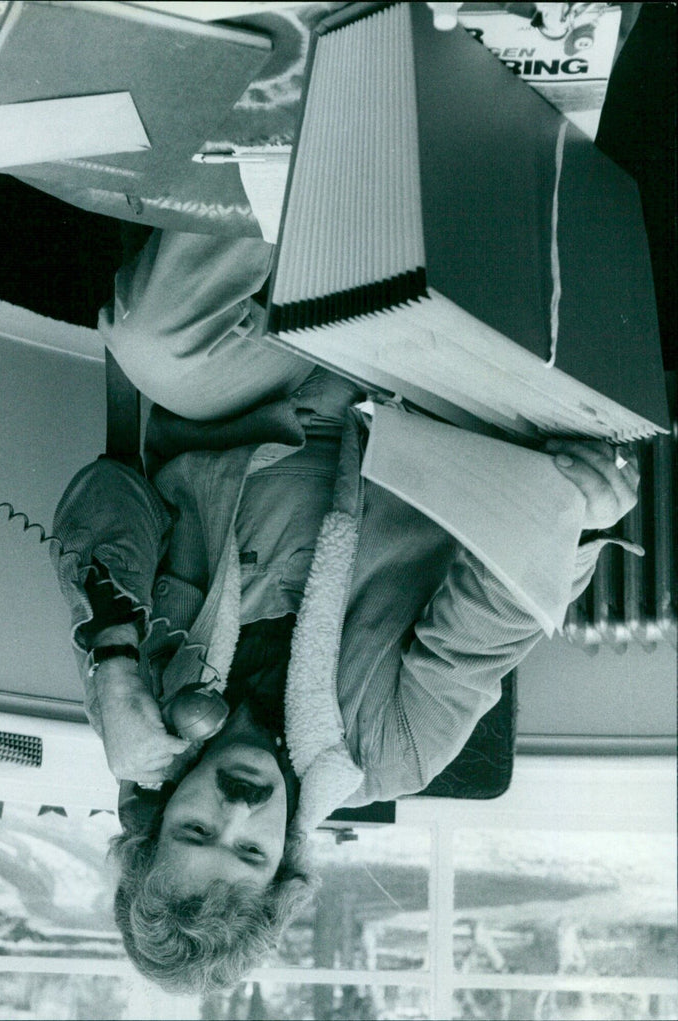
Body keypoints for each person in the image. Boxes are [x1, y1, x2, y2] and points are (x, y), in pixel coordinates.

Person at [51, 229, 640, 994]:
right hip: (419, 406)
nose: (239, 808)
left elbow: (108, 492)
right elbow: (492, 615)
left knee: (150, 337)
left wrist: (117, 655)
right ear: (288, 863)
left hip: (253, 394)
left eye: (198, 831)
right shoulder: (391, 752)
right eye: (251, 852)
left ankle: (268, 139)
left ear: (154, 819)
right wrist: (576, 519)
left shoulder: (135, 705)